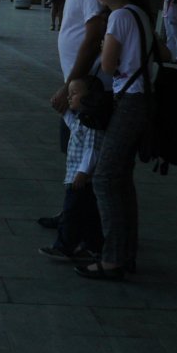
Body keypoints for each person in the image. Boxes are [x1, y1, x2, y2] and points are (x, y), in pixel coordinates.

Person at [77, 0, 156, 281]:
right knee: (120, 179)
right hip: (142, 98)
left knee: (106, 178)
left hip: (130, 101)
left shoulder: (120, 17)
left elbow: (108, 66)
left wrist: (101, 43)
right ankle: (124, 254)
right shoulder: (139, 13)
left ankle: (112, 259)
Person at [38, 0, 109, 231]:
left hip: (88, 89)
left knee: (85, 157)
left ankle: (81, 226)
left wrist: (69, 85)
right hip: (80, 85)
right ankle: (72, 214)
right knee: (73, 151)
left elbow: (94, 36)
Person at [39, 75, 108, 262]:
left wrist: (83, 172)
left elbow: (92, 150)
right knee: (89, 215)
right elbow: (72, 124)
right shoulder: (82, 118)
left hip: (81, 179)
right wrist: (62, 110)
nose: (69, 97)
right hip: (77, 177)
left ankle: (64, 247)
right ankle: (94, 247)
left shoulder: (92, 124)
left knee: (71, 213)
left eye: (74, 93)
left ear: (90, 97)